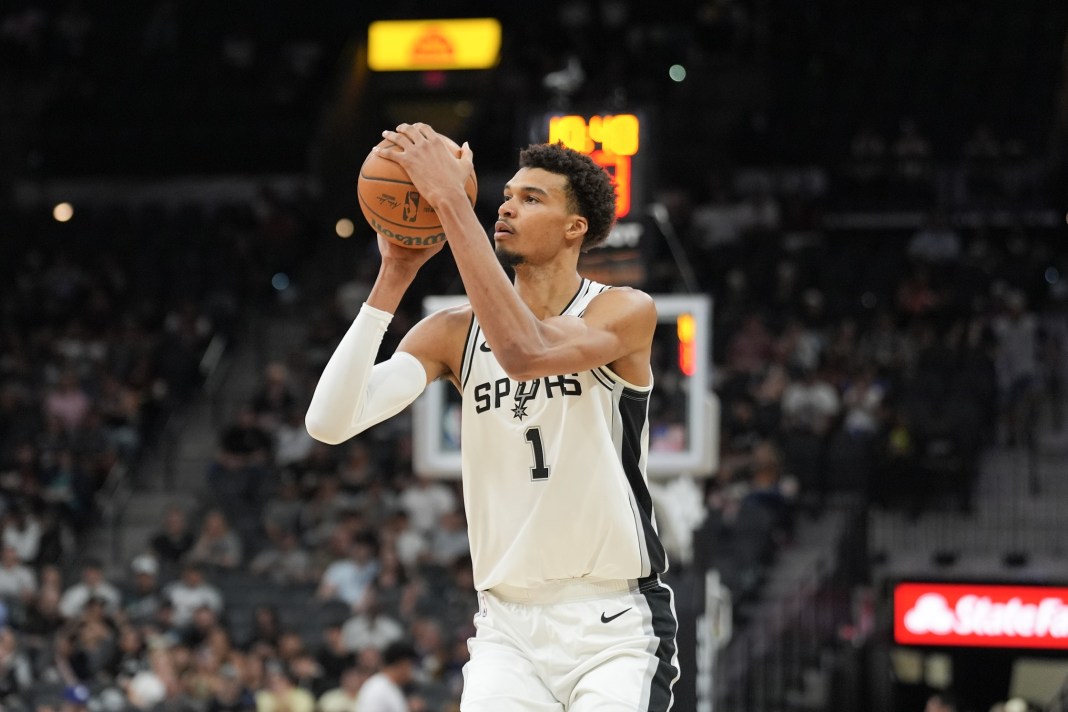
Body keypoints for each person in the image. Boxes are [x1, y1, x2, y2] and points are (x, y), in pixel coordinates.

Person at [306, 123, 679, 711]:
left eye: (532, 199)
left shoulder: (622, 311)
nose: (507, 205)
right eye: (505, 195)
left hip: (612, 624)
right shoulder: (452, 332)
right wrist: (394, 275)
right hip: (507, 629)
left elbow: (527, 352)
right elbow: (329, 421)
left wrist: (452, 201)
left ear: (574, 228)